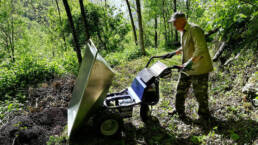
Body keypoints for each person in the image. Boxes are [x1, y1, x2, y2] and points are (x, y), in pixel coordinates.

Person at [164, 12, 214, 125]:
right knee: (180, 89)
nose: (174, 25)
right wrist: (175, 51)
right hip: (187, 67)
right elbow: (187, 45)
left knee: (200, 94)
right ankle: (179, 110)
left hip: (199, 67)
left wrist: (189, 63)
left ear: (182, 20)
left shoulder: (194, 29)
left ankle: (204, 116)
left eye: (175, 22)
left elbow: (200, 48)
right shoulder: (183, 32)